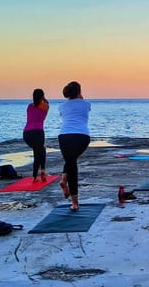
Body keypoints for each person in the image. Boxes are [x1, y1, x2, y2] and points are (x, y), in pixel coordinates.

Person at [58, 81, 91, 211]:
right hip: (82, 136)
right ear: (79, 91)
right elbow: (84, 107)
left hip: (64, 136)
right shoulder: (86, 104)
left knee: (70, 161)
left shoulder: (62, 106)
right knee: (72, 164)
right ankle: (75, 202)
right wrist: (80, 97)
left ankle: (64, 179)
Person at [24, 89, 49, 183]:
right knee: (40, 151)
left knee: (38, 151)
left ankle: (35, 177)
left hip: (26, 134)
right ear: (42, 96)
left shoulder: (29, 106)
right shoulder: (45, 106)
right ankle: (42, 170)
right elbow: (46, 104)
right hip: (38, 132)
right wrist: (44, 99)